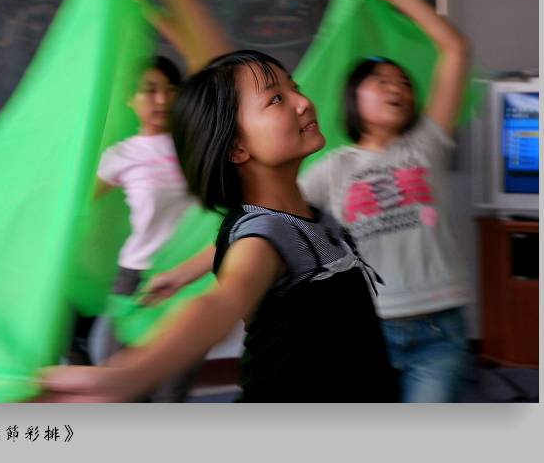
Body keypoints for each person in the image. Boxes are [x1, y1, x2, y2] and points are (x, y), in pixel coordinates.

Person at [40, 50, 398, 403]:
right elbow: (220, 303)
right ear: (237, 148)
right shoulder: (261, 237)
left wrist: (183, 273)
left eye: (294, 88)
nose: (303, 102)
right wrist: (132, 374)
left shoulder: (299, 214)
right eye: (276, 98)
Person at [297, 0, 472, 402]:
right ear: (353, 97)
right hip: (363, 329)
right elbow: (267, 219)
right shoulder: (332, 169)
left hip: (439, 331)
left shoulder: (427, 143)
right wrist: (187, 272)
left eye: (404, 83)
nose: (397, 88)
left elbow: (455, 49)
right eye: (382, 81)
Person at [71, 0, 232, 403]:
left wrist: (153, 8)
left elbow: (214, 68)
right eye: (148, 90)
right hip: (137, 275)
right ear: (130, 100)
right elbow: (73, 207)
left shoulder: (198, 140)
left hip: (194, 275)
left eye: (168, 89)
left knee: (174, 390)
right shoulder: (122, 155)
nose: (160, 99)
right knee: (128, 385)